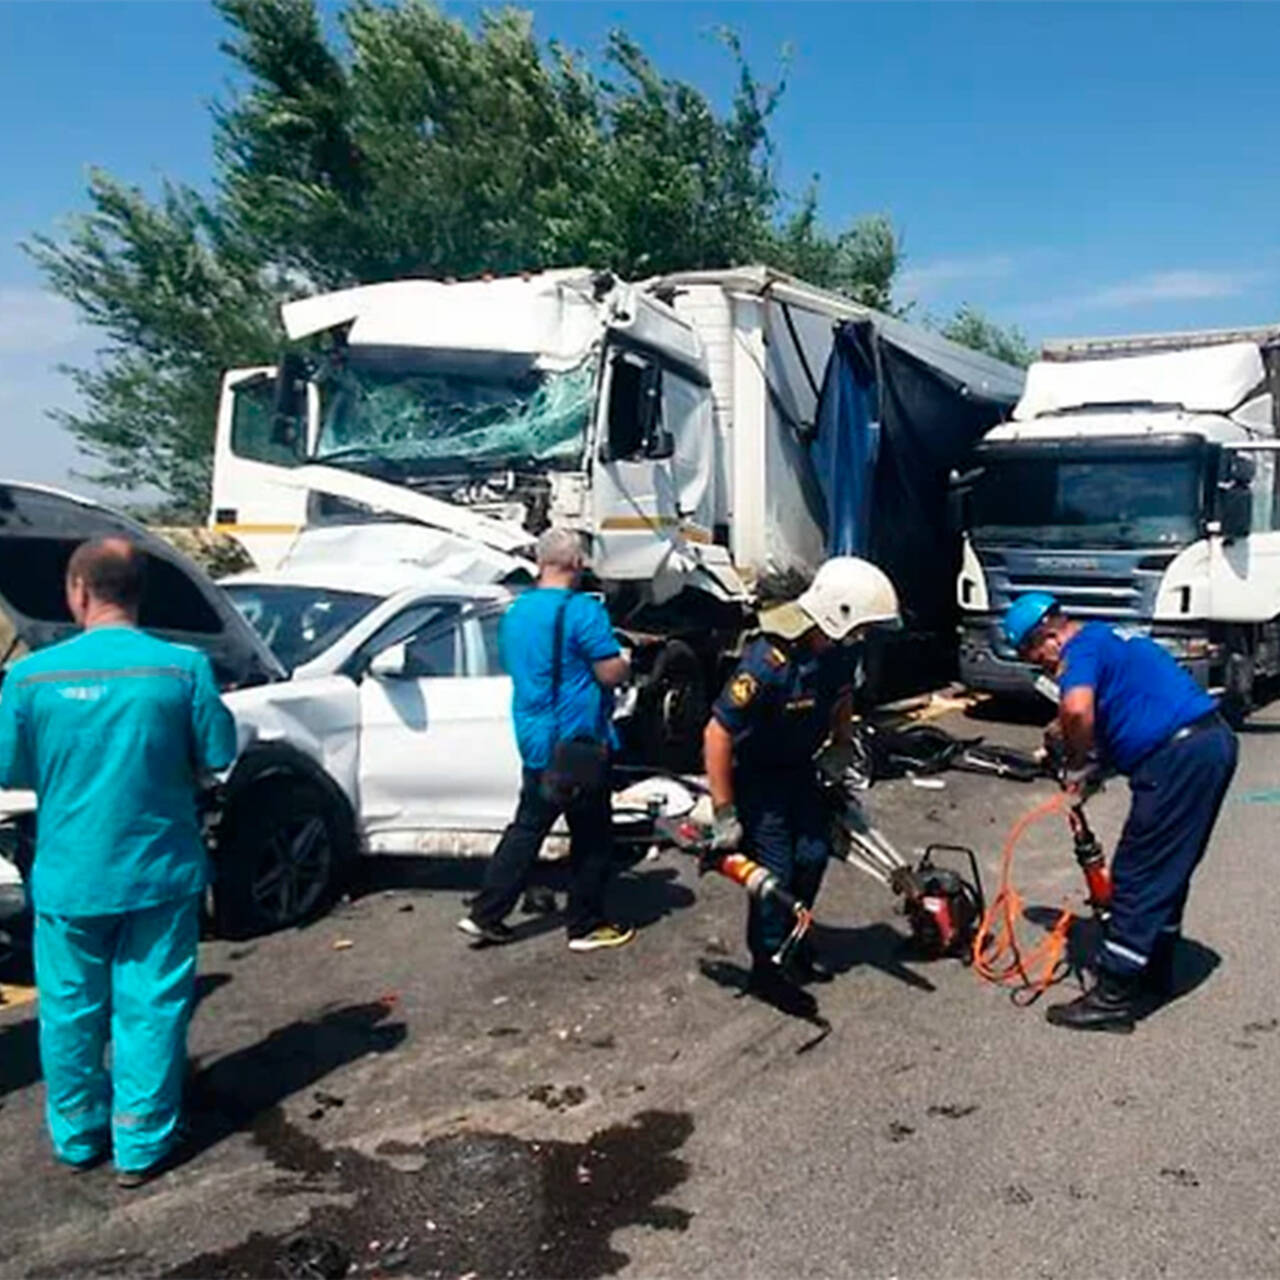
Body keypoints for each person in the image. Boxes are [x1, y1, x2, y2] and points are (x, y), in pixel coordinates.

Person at [0, 537, 236, 1186]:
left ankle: (77, 1137)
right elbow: (218, 751)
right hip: (159, 871)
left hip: (71, 874)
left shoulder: (28, 677)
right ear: (138, 593)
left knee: (70, 1011)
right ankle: (141, 1144)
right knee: (152, 1006)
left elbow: (9, 767)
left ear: (77, 592)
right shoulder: (182, 669)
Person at [1004, 592, 1238, 1032]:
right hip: (1205, 744)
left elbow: (1077, 710)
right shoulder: (1111, 637)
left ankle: (1113, 993)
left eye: (1038, 658)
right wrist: (1085, 761)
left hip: (1178, 757)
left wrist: (1075, 758)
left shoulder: (1080, 649)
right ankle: (1154, 967)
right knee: (1167, 867)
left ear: (1050, 637)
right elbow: (1124, 711)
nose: (1045, 669)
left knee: (1137, 872)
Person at [703, 557, 901, 1006]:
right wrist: (724, 812)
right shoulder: (767, 661)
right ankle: (767, 968)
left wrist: (842, 741)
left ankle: (795, 939)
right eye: (860, 627)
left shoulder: (839, 652)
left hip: (801, 772)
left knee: (813, 855)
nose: (862, 637)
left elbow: (842, 695)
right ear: (837, 614)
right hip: (759, 779)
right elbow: (717, 733)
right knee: (776, 871)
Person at [458, 527, 635, 952]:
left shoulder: (516, 612)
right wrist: (625, 661)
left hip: (535, 738)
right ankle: (586, 924)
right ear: (576, 564)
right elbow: (608, 672)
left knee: (528, 827)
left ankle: (486, 913)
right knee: (593, 836)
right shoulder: (582, 611)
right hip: (577, 741)